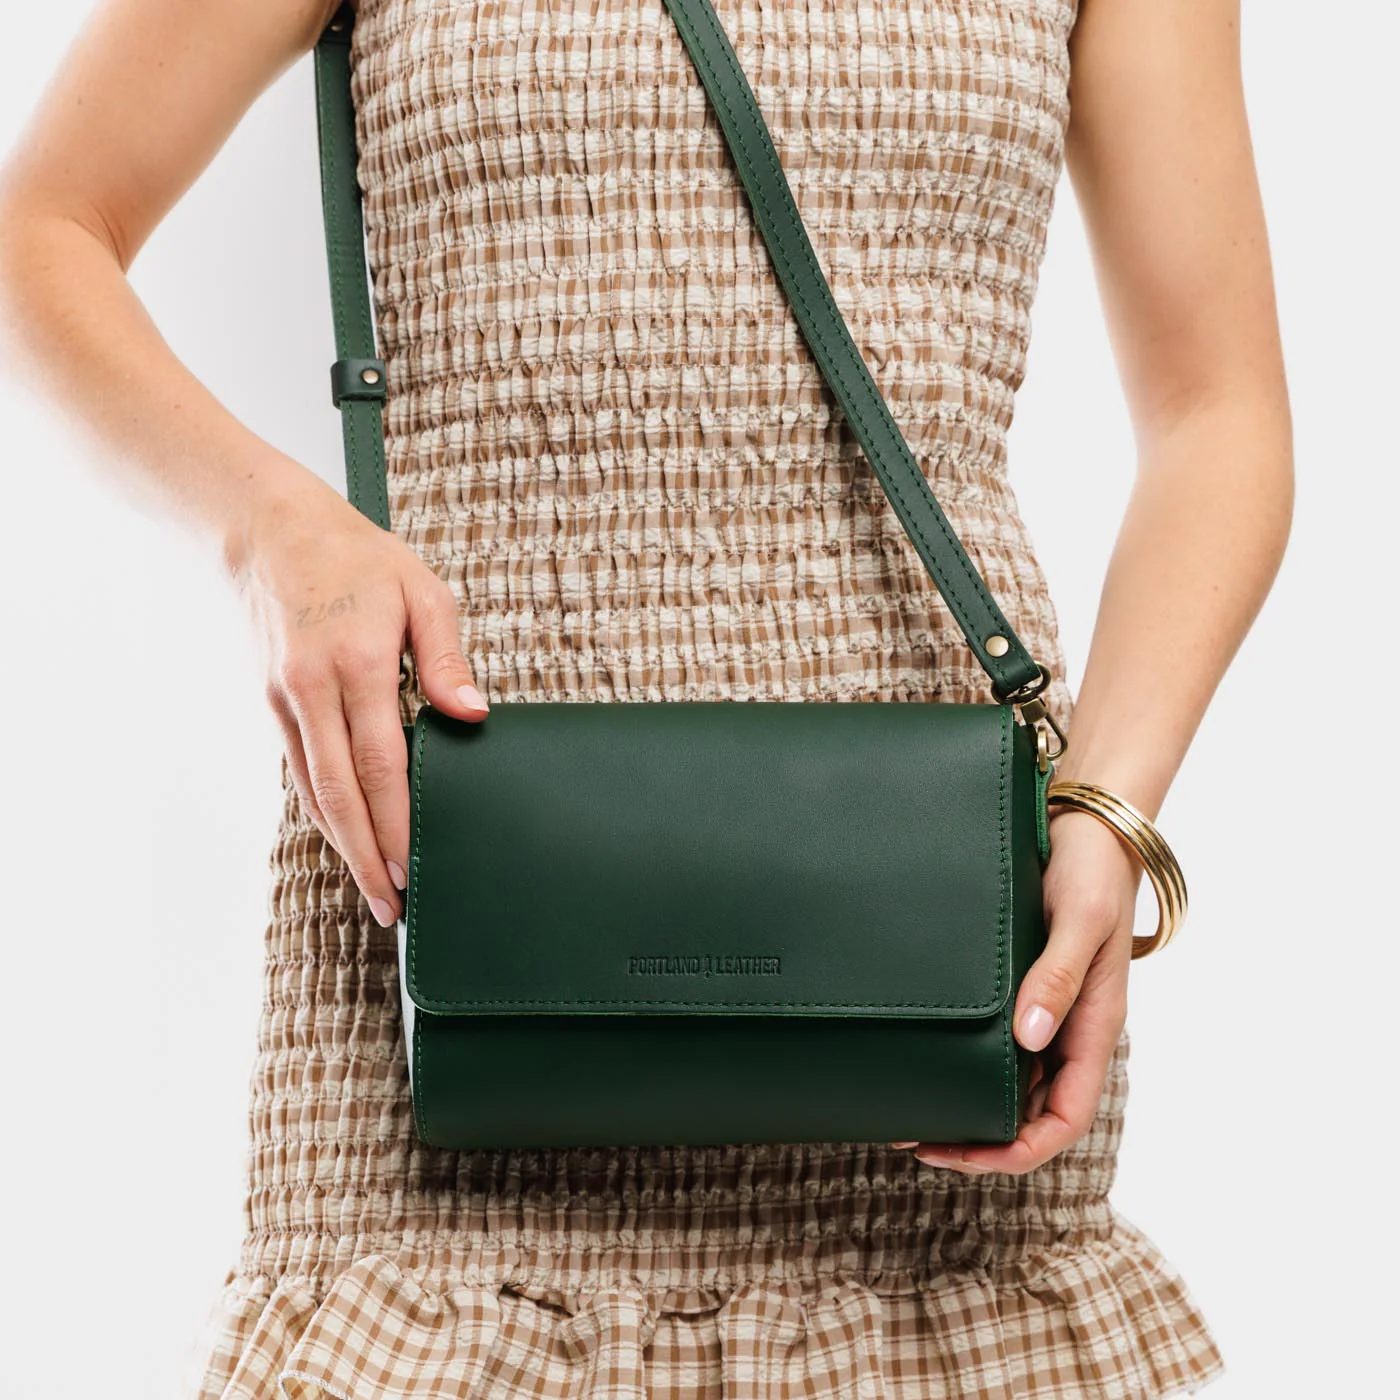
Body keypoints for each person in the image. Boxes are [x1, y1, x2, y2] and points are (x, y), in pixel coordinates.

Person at [0, 0, 1291, 1394]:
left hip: (943, 952)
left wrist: (1106, 811)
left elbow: (1218, 414)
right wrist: (275, 531)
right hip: (441, 911)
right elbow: (42, 231)